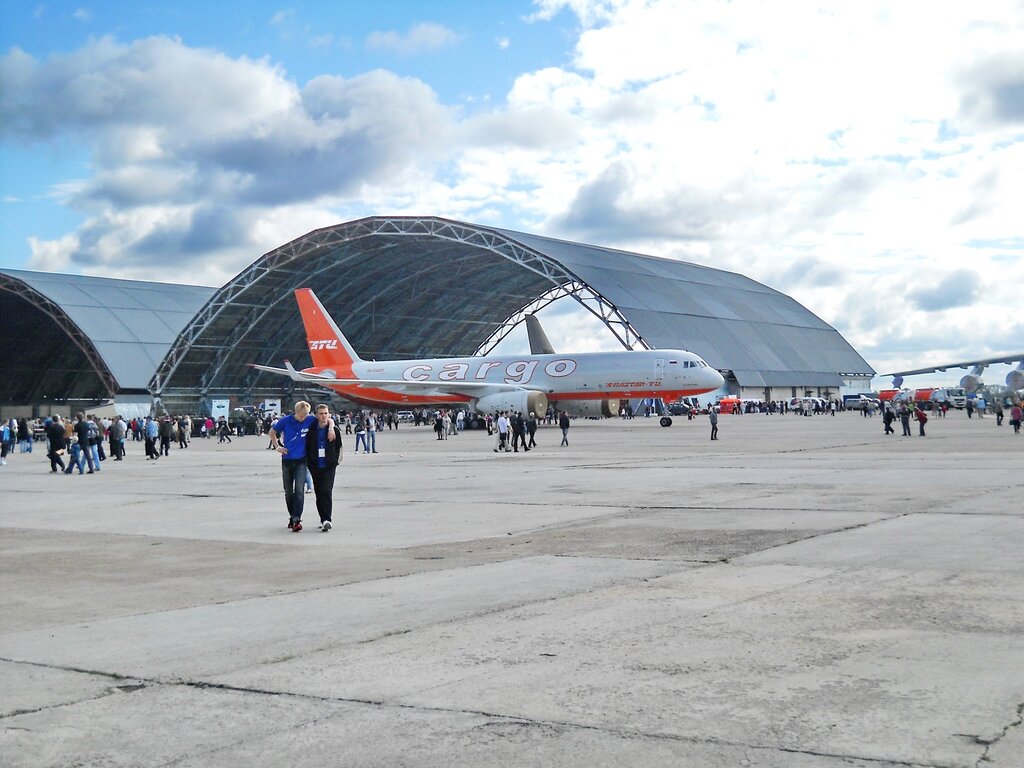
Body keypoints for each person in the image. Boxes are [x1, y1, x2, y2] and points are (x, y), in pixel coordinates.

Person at [269, 401, 335, 532]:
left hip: (301, 460)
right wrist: (277, 447)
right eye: (301, 416)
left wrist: (331, 428)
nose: (303, 418)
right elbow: (272, 432)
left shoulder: (310, 419)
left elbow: (328, 419)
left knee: (299, 490)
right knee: (288, 492)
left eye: (305, 416)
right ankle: (292, 515)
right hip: (287, 460)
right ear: (296, 413)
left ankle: (296, 519)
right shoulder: (285, 421)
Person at [305, 403, 343, 531]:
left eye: (326, 413)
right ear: (316, 415)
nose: (324, 416)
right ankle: (323, 518)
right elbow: (307, 447)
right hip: (315, 466)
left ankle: (327, 519)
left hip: (329, 466)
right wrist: (309, 462)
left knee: (327, 491)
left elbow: (339, 447)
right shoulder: (311, 430)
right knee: (319, 493)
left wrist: (335, 462)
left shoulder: (334, 430)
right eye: (321, 414)